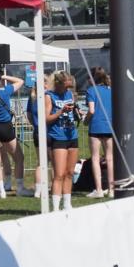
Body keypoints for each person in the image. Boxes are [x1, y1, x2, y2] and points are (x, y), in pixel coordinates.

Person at [45, 71, 80, 210]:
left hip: (72, 135)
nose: (68, 89)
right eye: (66, 85)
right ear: (59, 83)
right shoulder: (49, 96)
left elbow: (71, 112)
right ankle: (55, 207)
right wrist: (61, 111)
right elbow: (46, 118)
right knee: (59, 173)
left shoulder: (69, 94)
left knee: (69, 172)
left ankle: (67, 204)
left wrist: (76, 113)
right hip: (58, 136)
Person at [85, 67, 114, 198]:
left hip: (96, 126)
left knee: (96, 158)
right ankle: (112, 189)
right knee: (110, 158)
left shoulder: (91, 91)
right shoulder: (111, 90)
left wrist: (85, 121)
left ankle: (99, 189)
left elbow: (91, 110)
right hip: (109, 126)